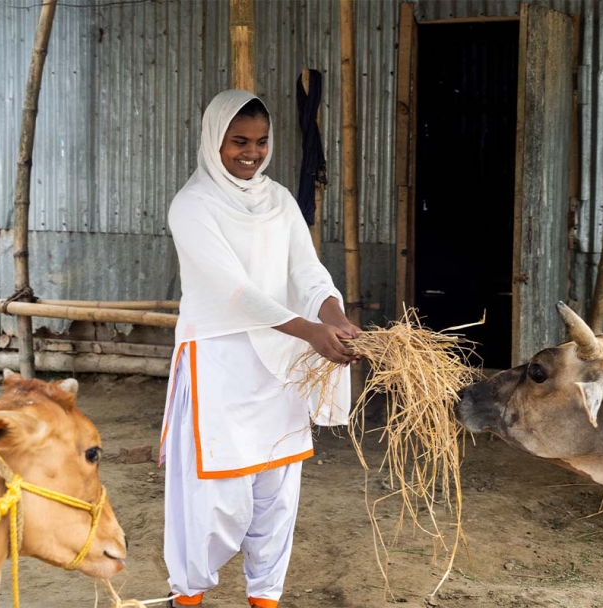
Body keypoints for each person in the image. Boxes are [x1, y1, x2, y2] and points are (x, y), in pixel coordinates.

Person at [160, 89, 359, 608]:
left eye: (261, 142)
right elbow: (233, 291)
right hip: (219, 362)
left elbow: (307, 270)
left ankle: (265, 598)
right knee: (217, 497)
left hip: (282, 364)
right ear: (214, 141)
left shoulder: (278, 200)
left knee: (276, 488)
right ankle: (190, 596)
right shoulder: (193, 205)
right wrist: (311, 332)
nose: (251, 153)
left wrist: (333, 316)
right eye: (238, 142)